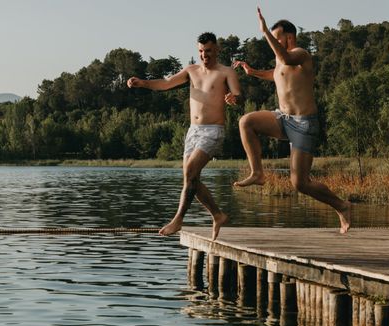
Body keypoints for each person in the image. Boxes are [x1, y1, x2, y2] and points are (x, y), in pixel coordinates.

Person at [231, 8, 351, 234]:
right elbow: (277, 72)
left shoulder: (301, 54)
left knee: (300, 183)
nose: (275, 42)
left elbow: (285, 59)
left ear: (288, 37)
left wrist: (264, 31)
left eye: (277, 38)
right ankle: (257, 173)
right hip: (283, 118)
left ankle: (341, 206)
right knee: (246, 121)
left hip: (304, 124)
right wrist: (253, 72)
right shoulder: (281, 62)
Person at [127, 32, 242, 241]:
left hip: (213, 130)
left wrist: (233, 98)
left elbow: (238, 94)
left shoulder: (226, 72)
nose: (204, 55)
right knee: (191, 179)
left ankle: (178, 219)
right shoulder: (191, 71)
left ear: (217, 49)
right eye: (200, 51)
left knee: (189, 172)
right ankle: (218, 214)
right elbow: (166, 83)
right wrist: (143, 83)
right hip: (193, 131)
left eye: (207, 51)